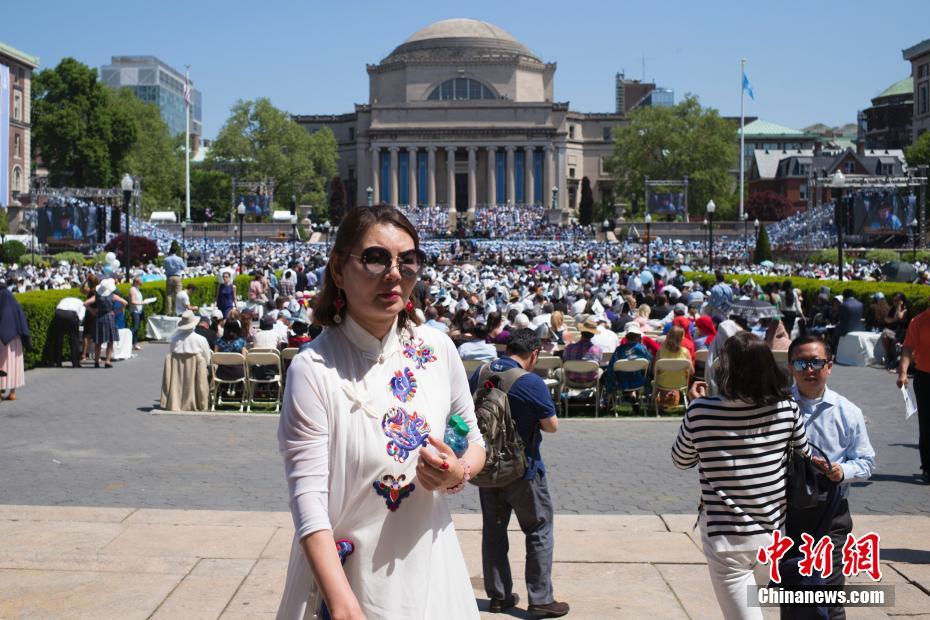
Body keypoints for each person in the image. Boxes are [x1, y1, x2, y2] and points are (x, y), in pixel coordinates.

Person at [277, 205, 487, 619]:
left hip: (432, 566)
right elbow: (308, 501)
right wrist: (342, 604)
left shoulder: (438, 350)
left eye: (407, 261)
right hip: (347, 575)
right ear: (339, 268)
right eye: (375, 259)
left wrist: (456, 472)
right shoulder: (314, 369)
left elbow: (475, 442)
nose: (394, 274)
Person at [673, 331, 810, 620]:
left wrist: (698, 411)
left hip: (727, 537)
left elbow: (681, 458)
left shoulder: (701, 411)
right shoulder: (787, 409)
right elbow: (804, 453)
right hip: (774, 533)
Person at [468, 328, 569, 618]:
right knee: (538, 529)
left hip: (487, 466)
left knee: (494, 530)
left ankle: (498, 596)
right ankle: (540, 599)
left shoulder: (481, 372)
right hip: (523, 470)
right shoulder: (530, 381)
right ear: (534, 354)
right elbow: (551, 426)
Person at [789, 335, 876, 619]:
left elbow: (866, 462)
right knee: (791, 595)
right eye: (801, 362)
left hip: (831, 515)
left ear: (830, 366)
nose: (809, 369)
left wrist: (841, 471)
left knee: (829, 592)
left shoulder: (847, 411)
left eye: (816, 362)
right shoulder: (777, 407)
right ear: (791, 367)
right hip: (786, 515)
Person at [897, 300, 930, 484]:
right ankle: (927, 467)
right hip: (925, 377)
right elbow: (908, 348)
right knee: (927, 424)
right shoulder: (919, 321)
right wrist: (903, 372)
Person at [604, 322, 651, 411]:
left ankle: (612, 401)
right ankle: (633, 398)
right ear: (638, 337)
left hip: (622, 381)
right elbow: (649, 363)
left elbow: (611, 368)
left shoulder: (619, 350)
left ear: (626, 337)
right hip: (639, 381)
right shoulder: (643, 349)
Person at [84, 278, 128, 369]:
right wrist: (116, 311)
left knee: (98, 342)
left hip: (99, 317)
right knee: (110, 341)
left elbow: (85, 303)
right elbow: (125, 303)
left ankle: (96, 361)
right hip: (109, 317)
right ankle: (107, 361)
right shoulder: (112, 296)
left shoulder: (97, 296)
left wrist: (92, 310)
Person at [0, 281, 30, 401]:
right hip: (15, 340)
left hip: (2, 340)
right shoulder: (13, 302)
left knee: (2, 364)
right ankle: (12, 392)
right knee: (13, 365)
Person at [654, 325, 692, 408]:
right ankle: (672, 399)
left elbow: (655, 370)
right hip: (681, 383)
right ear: (681, 338)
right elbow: (692, 371)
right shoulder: (686, 352)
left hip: (662, 383)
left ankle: (659, 401)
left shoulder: (660, 351)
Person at [562, 317, 602, 384]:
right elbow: (598, 364)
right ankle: (599, 394)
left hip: (571, 380)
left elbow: (565, 361)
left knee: (558, 371)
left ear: (581, 332)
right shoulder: (598, 350)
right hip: (590, 381)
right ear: (593, 335)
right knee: (600, 370)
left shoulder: (569, 348)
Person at [51, 296, 85, 368]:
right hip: (71, 315)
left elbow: (57, 308)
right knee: (74, 339)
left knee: (59, 339)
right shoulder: (81, 303)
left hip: (59, 313)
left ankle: (58, 362)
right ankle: (75, 363)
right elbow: (81, 316)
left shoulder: (64, 299)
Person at [164, 248, 186, 316]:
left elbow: (165, 268)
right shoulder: (179, 259)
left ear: (169, 252)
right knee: (178, 295)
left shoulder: (166, 259)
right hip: (177, 277)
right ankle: (176, 311)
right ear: (176, 251)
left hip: (169, 277)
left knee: (169, 295)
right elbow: (183, 267)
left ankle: (169, 311)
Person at [128, 276, 144, 351]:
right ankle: (126, 340)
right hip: (135, 311)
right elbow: (132, 301)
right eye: (140, 280)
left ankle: (135, 344)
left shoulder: (137, 289)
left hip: (139, 311)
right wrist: (142, 303)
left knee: (136, 328)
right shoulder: (132, 290)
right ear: (136, 282)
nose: (142, 282)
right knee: (135, 327)